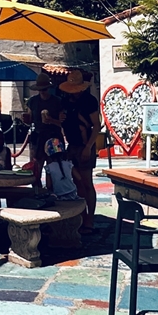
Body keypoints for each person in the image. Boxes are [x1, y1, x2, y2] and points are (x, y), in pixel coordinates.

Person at [57, 68, 102, 233]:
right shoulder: (66, 101)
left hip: (85, 144)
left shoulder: (89, 101)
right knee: (76, 183)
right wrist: (58, 119)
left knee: (87, 182)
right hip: (72, 145)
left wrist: (88, 147)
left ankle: (90, 219)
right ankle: (82, 216)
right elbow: (64, 122)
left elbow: (96, 125)